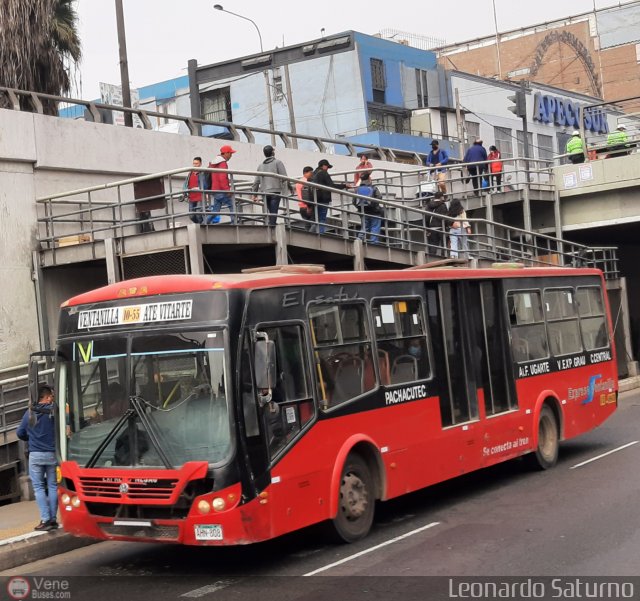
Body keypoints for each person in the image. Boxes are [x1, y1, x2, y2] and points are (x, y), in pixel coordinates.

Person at [16, 384, 58, 532]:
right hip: (52, 453)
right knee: (52, 486)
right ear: (46, 397)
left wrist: (30, 437)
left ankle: (45, 519)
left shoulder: (30, 413)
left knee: (39, 487)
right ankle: (53, 519)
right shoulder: (54, 413)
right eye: (51, 396)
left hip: (36, 455)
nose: (53, 399)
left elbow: (20, 433)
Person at [251, 145, 293, 227]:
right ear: (272, 152)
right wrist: (290, 187)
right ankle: (272, 228)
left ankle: (272, 225)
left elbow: (256, 182)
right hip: (275, 191)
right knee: (274, 212)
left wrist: (254, 194)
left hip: (265, 192)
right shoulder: (278, 162)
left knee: (272, 212)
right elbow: (284, 177)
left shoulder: (260, 166)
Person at [311, 159, 347, 234]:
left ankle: (310, 234)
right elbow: (331, 185)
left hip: (314, 199)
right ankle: (320, 235)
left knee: (316, 219)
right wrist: (344, 185)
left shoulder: (314, 173)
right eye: (327, 167)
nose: (327, 169)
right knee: (322, 219)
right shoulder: (324, 173)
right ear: (323, 166)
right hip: (324, 199)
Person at [352, 171, 383, 244]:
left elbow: (353, 201)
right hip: (374, 211)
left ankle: (359, 240)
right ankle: (373, 242)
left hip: (363, 211)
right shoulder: (373, 188)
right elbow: (379, 197)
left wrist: (360, 207)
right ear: (369, 178)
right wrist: (375, 206)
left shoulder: (357, 189)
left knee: (364, 227)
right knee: (375, 227)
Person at [208, 145, 236, 224]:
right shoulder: (222, 163)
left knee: (215, 211)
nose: (231, 155)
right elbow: (222, 178)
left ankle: (203, 224)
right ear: (226, 153)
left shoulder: (214, 163)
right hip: (221, 190)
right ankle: (234, 224)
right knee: (232, 205)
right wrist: (227, 190)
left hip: (215, 189)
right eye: (230, 153)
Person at [182, 156, 211, 224]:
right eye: (194, 163)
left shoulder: (203, 173)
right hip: (191, 197)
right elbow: (186, 183)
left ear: (200, 164)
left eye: (196, 163)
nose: (195, 165)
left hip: (200, 197)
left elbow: (206, 184)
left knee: (198, 215)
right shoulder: (190, 173)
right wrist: (184, 192)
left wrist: (200, 188)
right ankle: (199, 225)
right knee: (191, 216)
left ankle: (201, 227)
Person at [426, 191, 448, 257]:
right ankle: (444, 258)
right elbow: (445, 217)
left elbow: (426, 217)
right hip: (441, 227)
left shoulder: (429, 205)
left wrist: (427, 228)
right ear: (441, 197)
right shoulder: (443, 205)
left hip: (431, 228)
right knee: (444, 244)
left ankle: (431, 259)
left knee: (433, 244)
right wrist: (447, 227)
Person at [296, 166, 316, 230]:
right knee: (315, 224)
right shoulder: (306, 182)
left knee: (307, 225)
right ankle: (310, 237)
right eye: (310, 172)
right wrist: (309, 206)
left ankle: (307, 237)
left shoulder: (299, 182)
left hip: (301, 206)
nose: (312, 174)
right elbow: (306, 196)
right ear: (305, 173)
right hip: (307, 206)